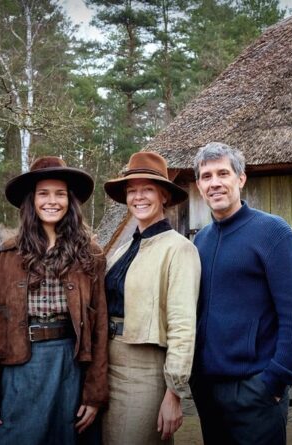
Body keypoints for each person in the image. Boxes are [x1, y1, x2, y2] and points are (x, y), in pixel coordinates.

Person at [0, 156, 108, 444]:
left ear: (70, 200)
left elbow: (99, 329)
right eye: (43, 193)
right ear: (31, 201)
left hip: (70, 365)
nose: (52, 201)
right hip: (20, 365)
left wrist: (95, 391)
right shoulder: (5, 255)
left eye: (60, 194)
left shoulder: (91, 255)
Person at [190, 142, 292, 445]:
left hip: (255, 390)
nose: (215, 183)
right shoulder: (199, 242)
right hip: (208, 391)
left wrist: (275, 380)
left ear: (241, 179)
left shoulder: (272, 233)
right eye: (206, 176)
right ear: (198, 185)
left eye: (223, 173)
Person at [101, 151, 200, 444]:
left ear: (164, 196)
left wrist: (174, 394)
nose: (138, 197)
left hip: (145, 371)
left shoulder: (179, 249)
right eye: (132, 190)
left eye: (147, 189)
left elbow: (183, 326)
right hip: (108, 364)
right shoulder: (120, 251)